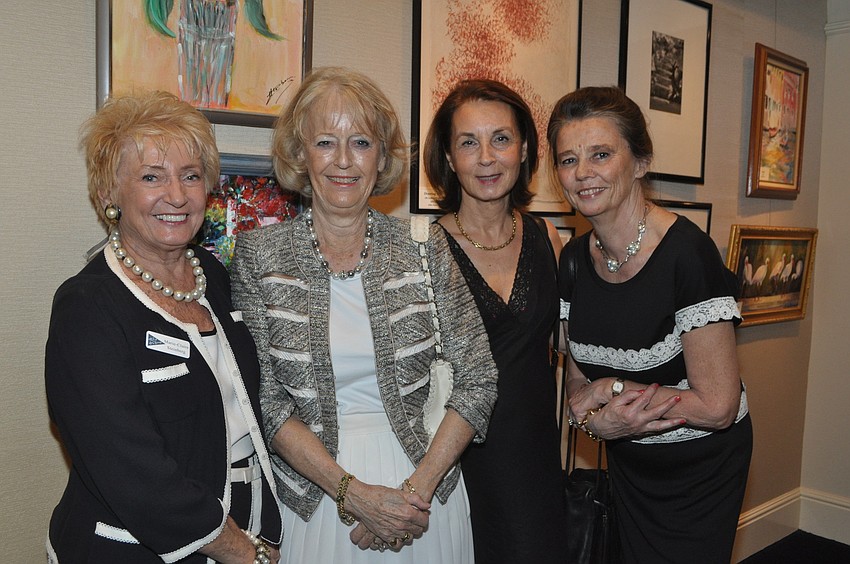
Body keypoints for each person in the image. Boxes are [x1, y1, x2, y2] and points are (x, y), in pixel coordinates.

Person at [229, 67, 498, 563]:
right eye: (326, 142)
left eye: (361, 142)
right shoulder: (258, 257)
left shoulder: (424, 245)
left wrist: (412, 495)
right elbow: (261, 399)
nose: (344, 161)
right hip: (317, 500)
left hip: (425, 500)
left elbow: (479, 377)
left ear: (382, 156)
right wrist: (353, 495)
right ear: (299, 153)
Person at [45, 91, 283, 563]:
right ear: (108, 193)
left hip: (244, 530)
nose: (176, 196)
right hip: (136, 550)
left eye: (190, 176)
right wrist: (242, 553)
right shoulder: (87, 307)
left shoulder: (212, 276)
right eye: (152, 177)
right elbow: (129, 469)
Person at [548, 86, 753, 564]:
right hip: (629, 469)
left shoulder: (688, 255)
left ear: (639, 162)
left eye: (600, 154)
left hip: (701, 472)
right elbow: (578, 387)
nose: (582, 173)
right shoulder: (575, 262)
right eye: (567, 159)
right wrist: (597, 422)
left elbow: (718, 405)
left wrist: (614, 395)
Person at [423, 78, 567, 563]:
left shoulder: (549, 238)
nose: (486, 157)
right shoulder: (421, 250)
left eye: (501, 139)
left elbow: (570, 347)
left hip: (538, 458)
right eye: (469, 142)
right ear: (447, 156)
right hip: (460, 465)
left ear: (524, 148)